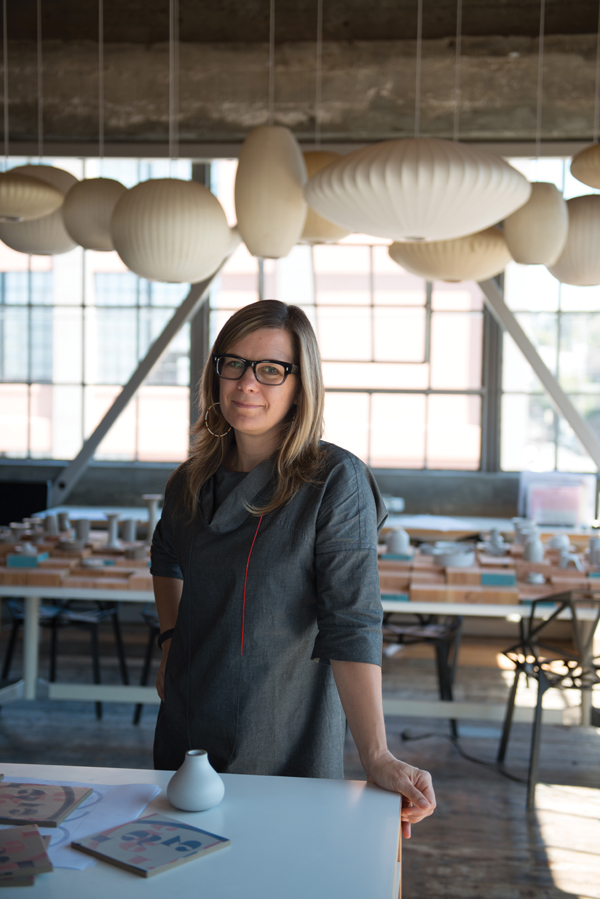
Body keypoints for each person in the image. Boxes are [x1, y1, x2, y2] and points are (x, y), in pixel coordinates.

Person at [151, 299, 435, 837]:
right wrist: (169, 642)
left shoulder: (334, 481)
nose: (246, 383)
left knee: (281, 861)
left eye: (270, 369)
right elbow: (164, 554)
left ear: (301, 383)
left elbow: (351, 624)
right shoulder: (189, 481)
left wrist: (375, 754)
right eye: (232, 363)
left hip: (281, 720)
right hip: (188, 718)